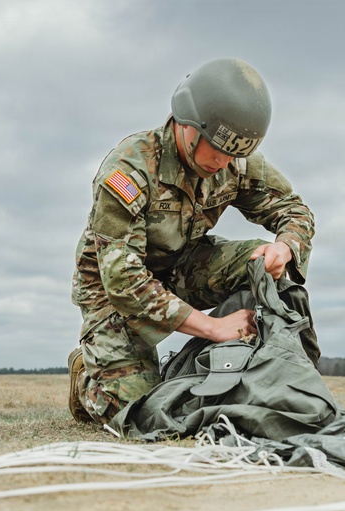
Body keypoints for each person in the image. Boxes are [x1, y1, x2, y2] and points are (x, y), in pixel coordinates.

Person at [69, 57, 318, 424]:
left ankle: (268, 372)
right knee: (141, 414)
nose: (222, 161)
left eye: (234, 152)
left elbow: (293, 210)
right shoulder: (130, 170)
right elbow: (123, 279)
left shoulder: (234, 159)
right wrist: (214, 327)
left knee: (260, 261)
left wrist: (285, 247)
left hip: (183, 267)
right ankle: (87, 380)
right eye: (215, 148)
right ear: (188, 122)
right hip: (113, 292)